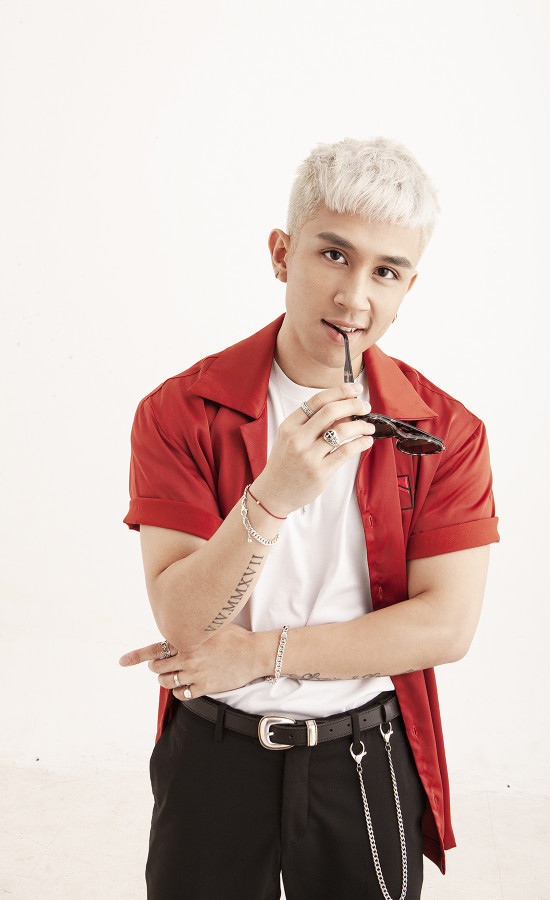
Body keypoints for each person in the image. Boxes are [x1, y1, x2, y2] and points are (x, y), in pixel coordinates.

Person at [120, 137, 499, 900]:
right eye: (333, 254)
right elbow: (185, 621)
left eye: (385, 271)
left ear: (407, 286)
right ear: (281, 254)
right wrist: (273, 497)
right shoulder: (178, 412)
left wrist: (260, 655)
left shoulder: (448, 432)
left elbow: (445, 628)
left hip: (364, 756)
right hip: (213, 755)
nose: (355, 297)